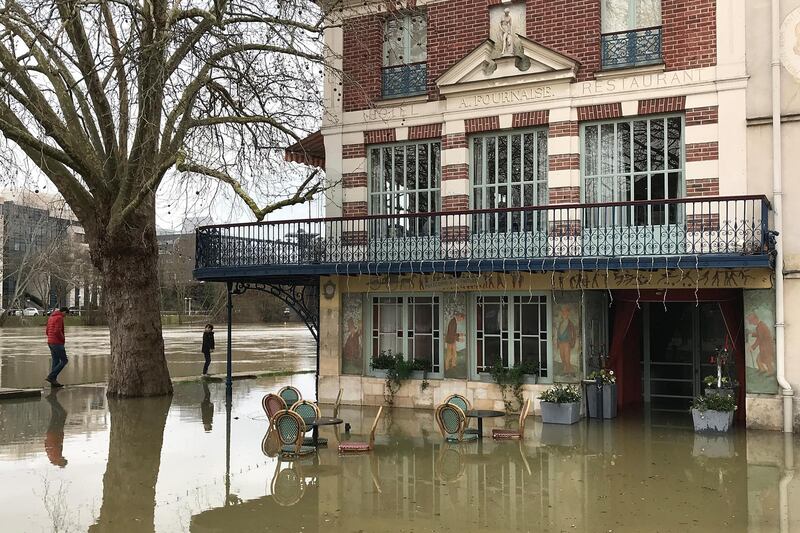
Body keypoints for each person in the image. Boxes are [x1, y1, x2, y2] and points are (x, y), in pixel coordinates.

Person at [45, 306, 69, 387]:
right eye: (66, 314)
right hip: (57, 343)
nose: (65, 316)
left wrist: (50, 338)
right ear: (64, 312)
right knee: (64, 360)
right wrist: (63, 339)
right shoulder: (59, 318)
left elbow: (47, 331)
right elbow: (57, 331)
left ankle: (53, 381)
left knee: (55, 361)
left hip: (50, 342)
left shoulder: (51, 317)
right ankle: (51, 376)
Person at [44, 389, 68, 467]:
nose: (63, 457)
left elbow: (56, 444)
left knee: (63, 414)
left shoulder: (56, 456)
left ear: (61, 461)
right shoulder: (52, 458)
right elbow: (47, 444)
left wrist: (59, 433)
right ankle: (53, 397)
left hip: (55, 433)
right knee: (55, 414)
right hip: (51, 433)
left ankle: (51, 399)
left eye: (63, 459)